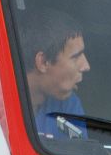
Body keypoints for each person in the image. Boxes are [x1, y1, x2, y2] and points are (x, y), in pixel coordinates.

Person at [25, 8, 90, 141]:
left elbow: (78, 153)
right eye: (76, 56)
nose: (86, 66)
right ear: (43, 62)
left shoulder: (69, 105)